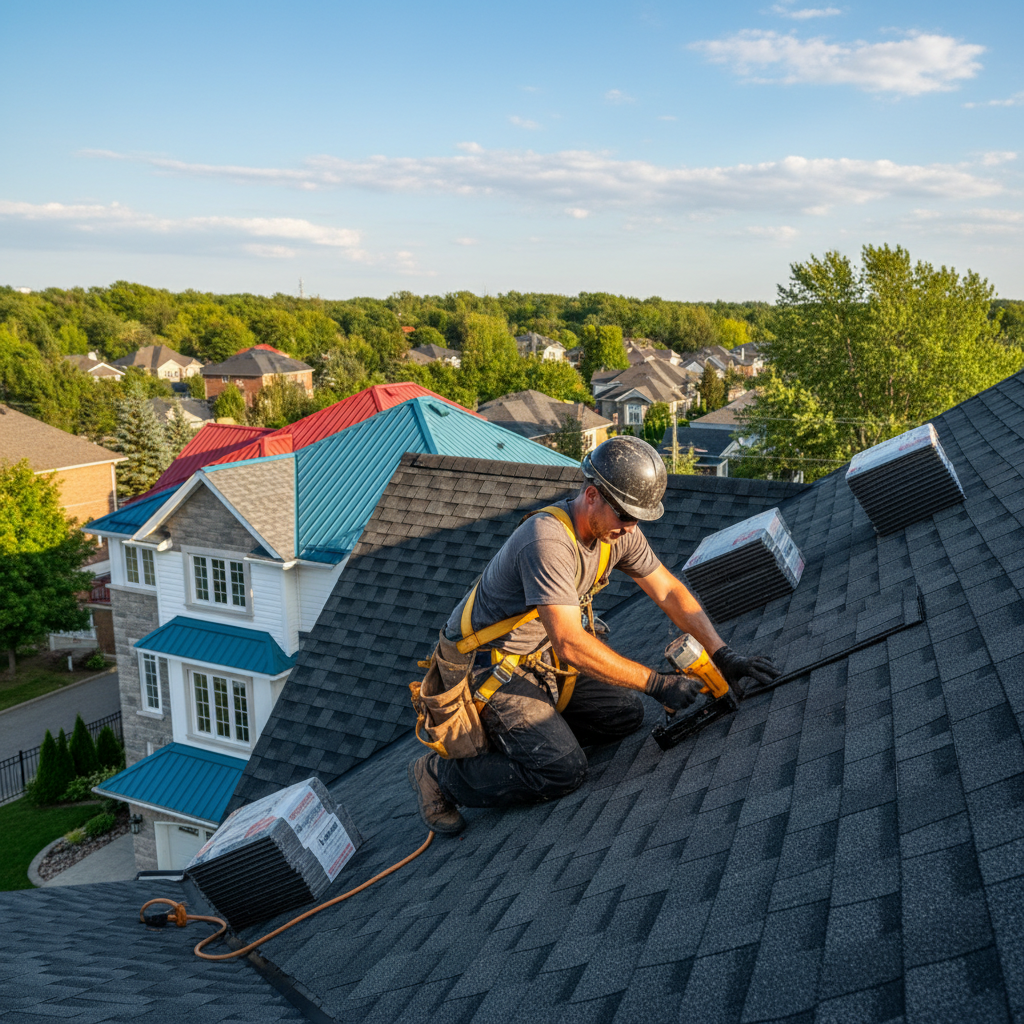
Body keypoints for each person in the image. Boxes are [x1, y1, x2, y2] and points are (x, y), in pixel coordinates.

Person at [407, 435, 779, 834]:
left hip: (540, 657)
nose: (631, 527)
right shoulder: (547, 541)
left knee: (625, 715)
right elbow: (569, 642)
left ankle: (534, 732)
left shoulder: (619, 532)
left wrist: (722, 653)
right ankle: (439, 774)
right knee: (561, 770)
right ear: (591, 495)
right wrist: (656, 683)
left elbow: (669, 591)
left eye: (638, 518)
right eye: (625, 515)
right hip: (489, 669)